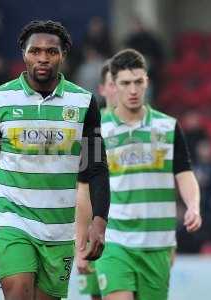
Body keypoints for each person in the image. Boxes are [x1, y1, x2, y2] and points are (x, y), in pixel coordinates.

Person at [0, 20, 110, 300]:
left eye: (51, 52)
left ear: (63, 55)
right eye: (35, 51)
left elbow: (96, 168)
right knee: (17, 291)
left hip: (59, 227)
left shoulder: (83, 102)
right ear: (23, 53)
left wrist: (99, 221)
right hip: (13, 218)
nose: (43, 58)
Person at [95, 49, 202, 300]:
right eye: (125, 83)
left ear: (147, 82)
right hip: (114, 240)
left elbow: (184, 172)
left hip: (158, 242)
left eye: (138, 82)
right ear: (114, 85)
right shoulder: (98, 130)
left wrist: (193, 206)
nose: (132, 90)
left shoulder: (168, 126)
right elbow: (83, 187)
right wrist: (81, 240)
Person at [78, 60, 117, 300]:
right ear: (102, 88)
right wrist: (80, 240)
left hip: (132, 237)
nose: (122, 90)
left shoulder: (151, 130)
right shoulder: (90, 128)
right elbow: (83, 187)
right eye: (114, 84)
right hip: (99, 230)